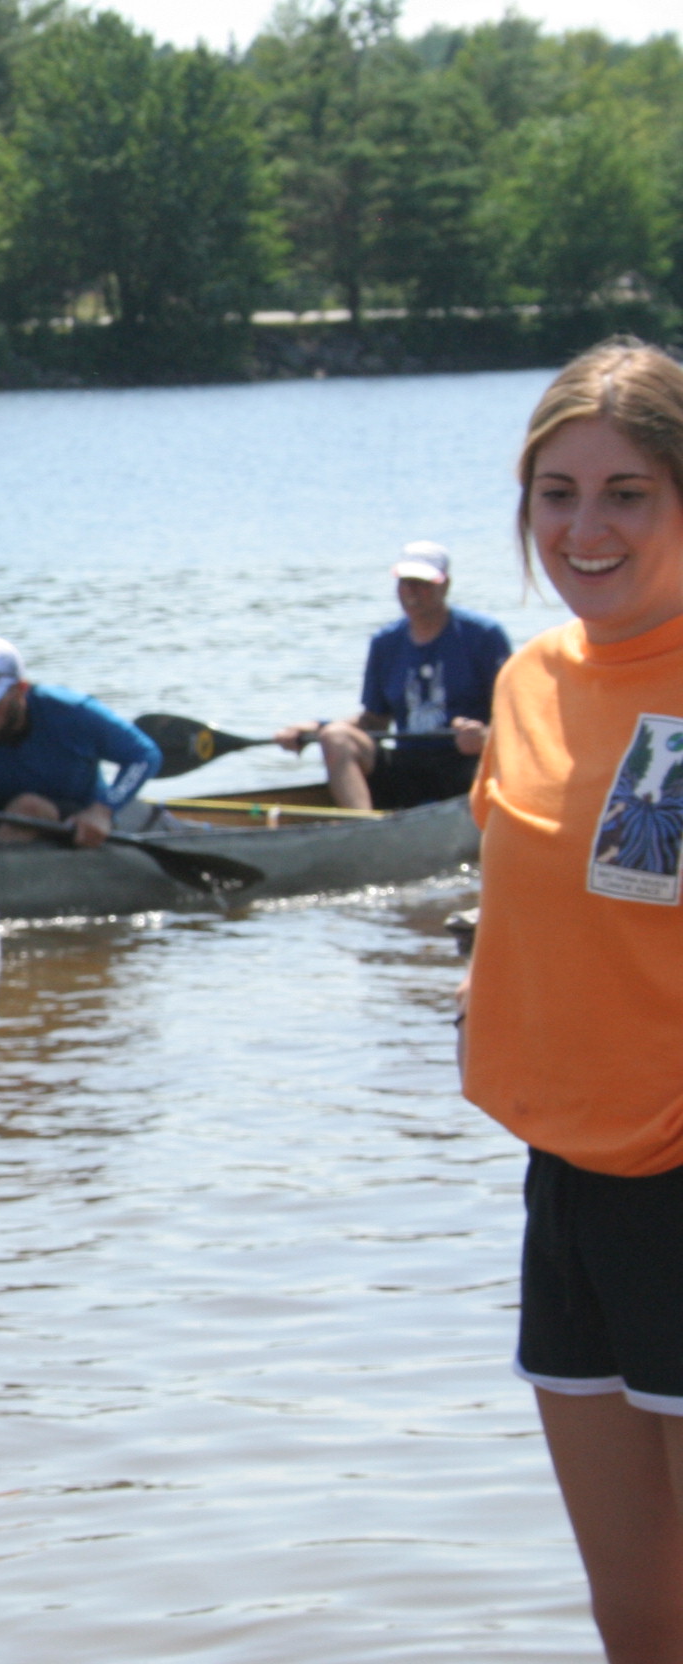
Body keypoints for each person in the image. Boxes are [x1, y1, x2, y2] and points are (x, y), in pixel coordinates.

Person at [460, 339, 683, 1663]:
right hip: (567, 1184)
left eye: (627, 492)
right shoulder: (528, 679)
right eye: (558, 493)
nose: (584, 528)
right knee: (637, 1619)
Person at [275, 543, 513, 810]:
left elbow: (517, 717)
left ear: (445, 586)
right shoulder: (385, 642)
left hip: (465, 764)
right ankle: (364, 826)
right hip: (408, 763)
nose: (411, 592)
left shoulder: (483, 635)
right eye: (405, 583)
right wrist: (316, 728)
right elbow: (374, 720)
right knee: (335, 736)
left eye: (422, 584)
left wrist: (486, 737)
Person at [0, 637, 161, 849]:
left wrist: (103, 811)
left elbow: (143, 755)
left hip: (74, 821)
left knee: (28, 807)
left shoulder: (71, 712)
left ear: (21, 689)